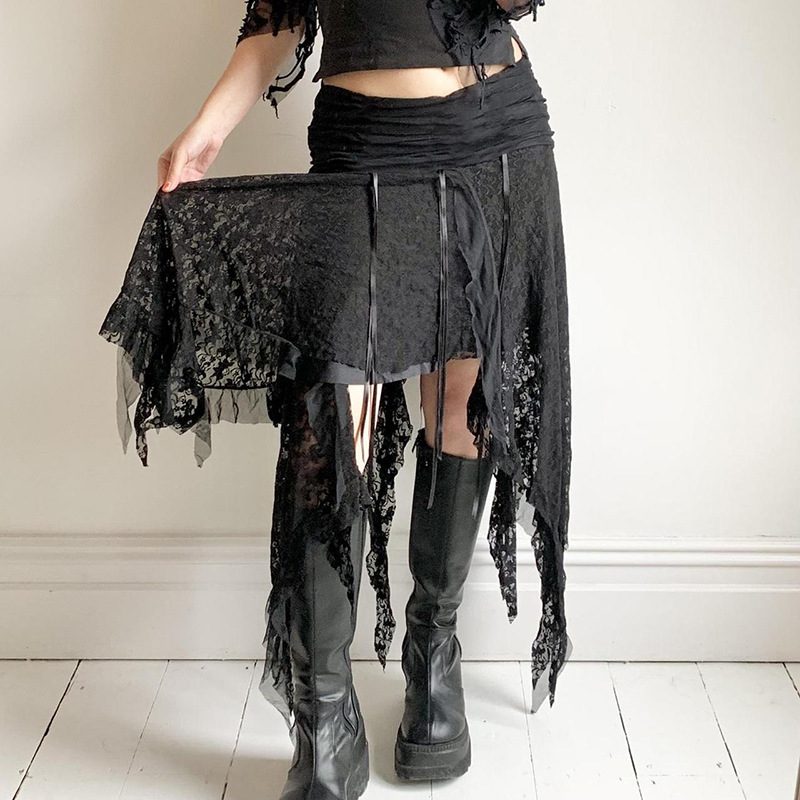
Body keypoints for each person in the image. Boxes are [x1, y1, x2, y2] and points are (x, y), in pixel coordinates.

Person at [99, 1, 573, 797]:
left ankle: (433, 651)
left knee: (465, 408)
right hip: (365, 152)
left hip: (497, 140)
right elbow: (279, 15)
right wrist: (207, 129)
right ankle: (323, 716)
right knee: (331, 423)